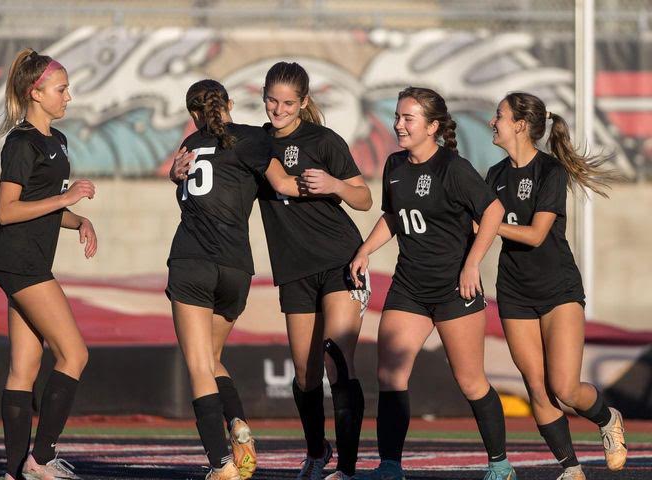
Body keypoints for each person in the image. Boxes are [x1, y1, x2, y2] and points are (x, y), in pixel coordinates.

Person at [350, 87, 514, 480]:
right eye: (397, 117)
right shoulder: (394, 165)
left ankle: (500, 465)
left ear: (432, 126)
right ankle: (390, 466)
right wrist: (364, 250)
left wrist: (472, 262)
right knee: (390, 375)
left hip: (454, 291)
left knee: (471, 381)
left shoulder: (452, 168)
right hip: (409, 288)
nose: (399, 125)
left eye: (408, 118)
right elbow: (392, 217)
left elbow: (494, 211)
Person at [485, 92, 626, 480]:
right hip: (514, 293)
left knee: (564, 387)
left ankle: (606, 416)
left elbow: (534, 234)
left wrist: (487, 226)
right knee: (538, 389)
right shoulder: (494, 176)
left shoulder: (550, 172)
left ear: (519, 124)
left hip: (558, 290)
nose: (491, 122)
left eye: (498, 115)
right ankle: (571, 469)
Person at [167, 79, 302, 480]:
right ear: (227, 104)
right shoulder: (251, 138)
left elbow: (190, 190)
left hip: (192, 261)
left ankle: (220, 463)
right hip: (235, 267)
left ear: (194, 113)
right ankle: (238, 423)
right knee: (210, 359)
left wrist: (176, 179)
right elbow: (282, 185)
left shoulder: (189, 143)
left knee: (198, 364)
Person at [257, 61, 372, 480]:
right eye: (272, 99)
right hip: (293, 270)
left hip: (339, 259)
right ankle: (315, 450)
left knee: (337, 361)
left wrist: (335, 185)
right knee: (305, 373)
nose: (279, 108)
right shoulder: (255, 143)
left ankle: (347, 467)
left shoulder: (324, 140)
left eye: (288, 102)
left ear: (303, 102)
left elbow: (364, 199)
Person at [0, 48, 97, 480]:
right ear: (36, 93)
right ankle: (42, 458)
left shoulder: (59, 142)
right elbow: (7, 211)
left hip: (26, 261)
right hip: (20, 262)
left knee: (24, 367)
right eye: (61, 89)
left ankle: (15, 470)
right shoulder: (21, 142)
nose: (68, 97)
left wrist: (77, 220)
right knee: (74, 354)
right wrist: (67, 199)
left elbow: (44, 207)